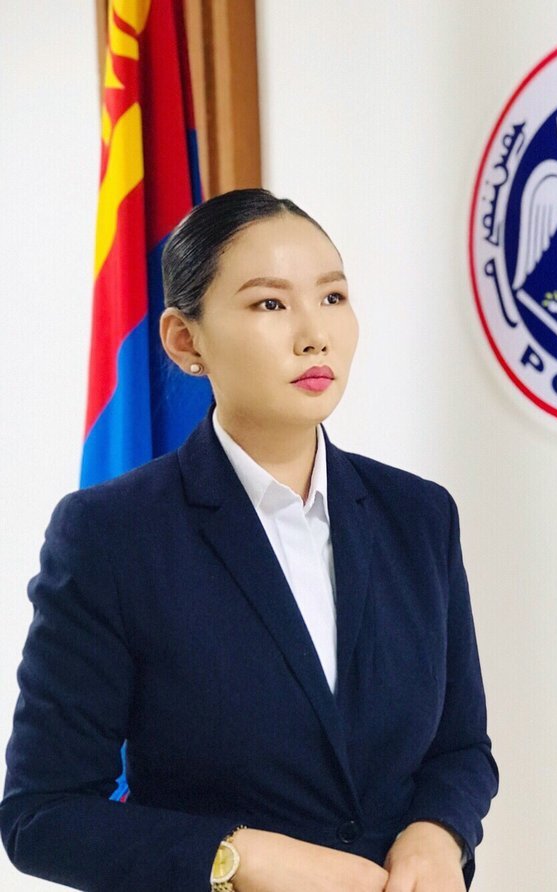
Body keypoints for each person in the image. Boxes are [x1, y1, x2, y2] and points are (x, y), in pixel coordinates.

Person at [0, 189, 498, 891]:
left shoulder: (418, 515)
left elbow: (460, 748)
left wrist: (438, 834)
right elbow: (42, 815)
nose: (314, 334)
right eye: (270, 303)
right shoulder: (113, 534)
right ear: (186, 340)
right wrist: (238, 857)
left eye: (332, 297)